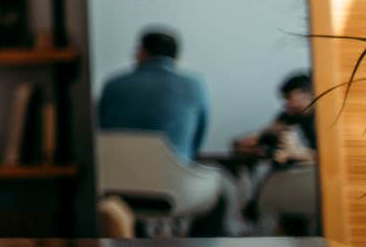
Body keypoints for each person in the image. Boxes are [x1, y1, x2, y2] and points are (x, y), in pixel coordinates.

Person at [95, 29, 210, 160]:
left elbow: (102, 129)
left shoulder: (114, 84)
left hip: (120, 169)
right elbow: (197, 137)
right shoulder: (194, 86)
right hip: (175, 173)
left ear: (142, 52)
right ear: (175, 57)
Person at [234, 71, 316, 162]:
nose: (286, 105)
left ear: (307, 94)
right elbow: (266, 132)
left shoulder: (325, 118)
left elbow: (330, 157)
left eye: (289, 98)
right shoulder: (289, 116)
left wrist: (299, 154)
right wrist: (250, 142)